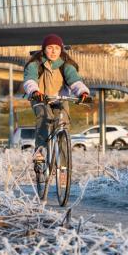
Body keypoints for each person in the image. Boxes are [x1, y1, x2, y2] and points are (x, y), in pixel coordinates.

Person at [23, 34, 90, 162]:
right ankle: (40, 151)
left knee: (63, 125)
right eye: (50, 48)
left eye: (57, 48)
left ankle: (63, 167)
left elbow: (75, 81)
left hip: (60, 99)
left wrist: (82, 93)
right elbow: (29, 80)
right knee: (44, 117)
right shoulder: (35, 64)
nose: (53, 51)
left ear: (61, 50)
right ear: (44, 49)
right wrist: (34, 91)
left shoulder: (66, 65)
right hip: (40, 98)